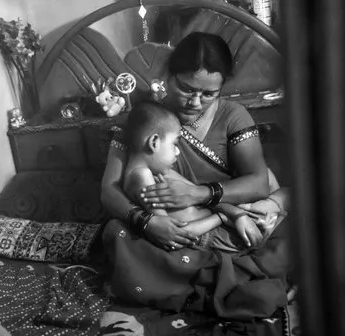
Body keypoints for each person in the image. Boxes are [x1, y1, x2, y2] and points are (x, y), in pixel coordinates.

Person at [99, 32, 290, 318]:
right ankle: (235, 273)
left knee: (308, 225)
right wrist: (148, 222)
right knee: (116, 233)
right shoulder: (147, 119)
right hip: (172, 230)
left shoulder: (233, 116)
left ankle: (212, 273)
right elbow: (109, 191)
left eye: (209, 94)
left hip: (223, 218)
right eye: (187, 89)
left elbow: (258, 182)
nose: (196, 102)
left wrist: (204, 195)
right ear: (168, 76)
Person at [121, 101, 285, 253]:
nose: (178, 152)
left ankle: (265, 214)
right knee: (285, 207)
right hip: (209, 235)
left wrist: (236, 215)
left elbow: (200, 197)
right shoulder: (141, 176)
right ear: (154, 142)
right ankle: (270, 217)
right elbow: (174, 233)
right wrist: (222, 217)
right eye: (174, 144)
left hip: (218, 220)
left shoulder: (159, 171)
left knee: (270, 182)